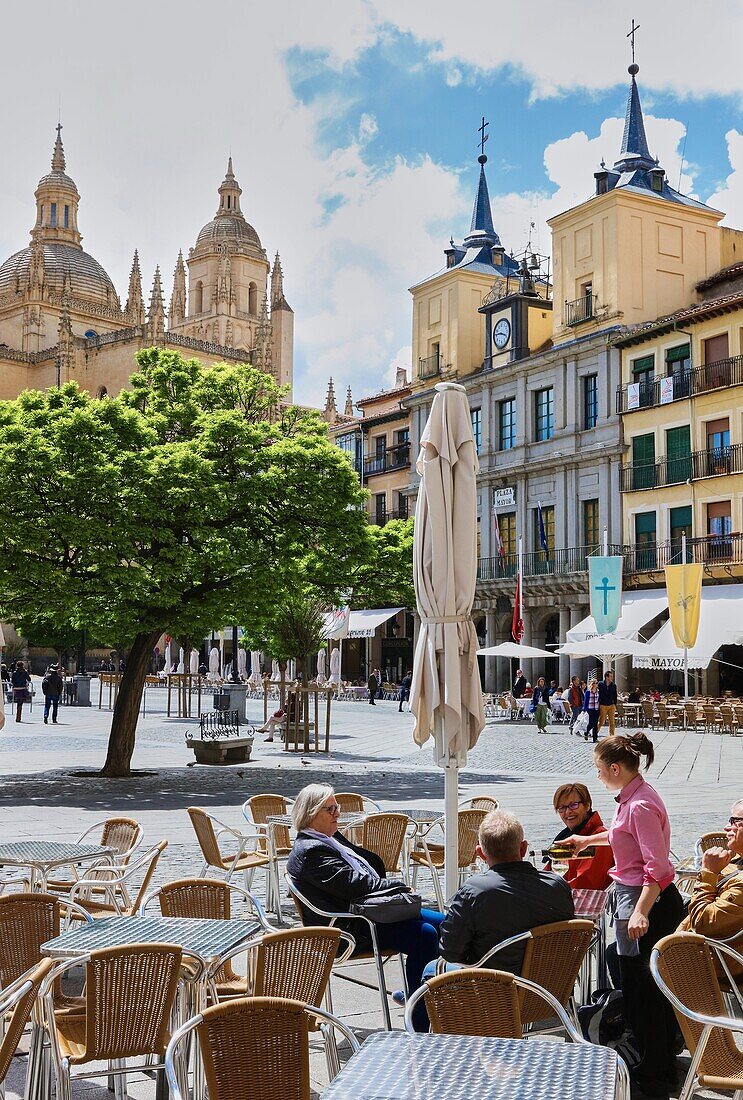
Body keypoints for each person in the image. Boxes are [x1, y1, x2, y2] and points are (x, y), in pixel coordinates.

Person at [564, 734, 683, 1100]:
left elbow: (658, 869)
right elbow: (621, 836)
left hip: (647, 905)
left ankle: (652, 1073)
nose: (598, 776)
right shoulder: (632, 799)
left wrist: (641, 913)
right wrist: (587, 842)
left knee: (644, 991)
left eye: (600, 770)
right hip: (635, 901)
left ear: (616, 769)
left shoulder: (640, 805)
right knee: (639, 987)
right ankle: (655, 1062)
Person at [286, 784, 445, 1031]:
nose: (337, 813)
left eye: (337, 807)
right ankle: (419, 1023)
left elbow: (367, 866)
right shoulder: (311, 851)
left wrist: (387, 885)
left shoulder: (327, 838)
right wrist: (396, 885)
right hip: (350, 928)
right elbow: (353, 884)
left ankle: (417, 993)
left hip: (369, 912)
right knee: (425, 936)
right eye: (331, 809)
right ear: (312, 814)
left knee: (446, 924)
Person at [435, 810, 574, 975]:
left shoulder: (474, 892)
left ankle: (413, 1001)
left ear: (481, 854)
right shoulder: (558, 886)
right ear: (523, 848)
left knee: (431, 968)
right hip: (550, 989)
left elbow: (450, 952)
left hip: (495, 991)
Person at [680, 799, 743, 981]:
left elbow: (702, 923)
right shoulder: (734, 863)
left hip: (713, 966)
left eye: (734, 821)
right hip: (710, 951)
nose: (726, 827)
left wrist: (708, 872)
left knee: (630, 957)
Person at [547, 782, 614, 890]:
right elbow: (548, 873)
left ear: (587, 805)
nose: (568, 812)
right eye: (562, 808)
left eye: (573, 805)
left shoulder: (598, 838)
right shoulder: (564, 836)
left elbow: (586, 884)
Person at [597, 670, 618, 737]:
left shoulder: (614, 685)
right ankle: (595, 732)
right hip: (603, 705)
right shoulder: (600, 684)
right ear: (607, 677)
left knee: (612, 722)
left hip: (611, 705)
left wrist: (614, 704)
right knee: (601, 721)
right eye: (611, 676)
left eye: (612, 676)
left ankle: (612, 735)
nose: (612, 678)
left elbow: (615, 695)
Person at [582, 677, 600, 742]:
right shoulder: (588, 692)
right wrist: (584, 709)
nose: (596, 684)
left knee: (595, 724)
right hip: (590, 709)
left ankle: (595, 738)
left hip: (597, 709)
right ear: (592, 684)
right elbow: (586, 701)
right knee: (591, 723)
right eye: (595, 683)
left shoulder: (598, 691)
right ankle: (586, 732)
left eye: (597, 683)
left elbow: (599, 700)